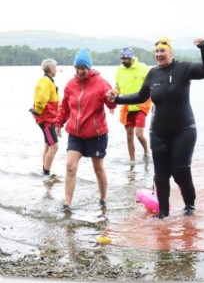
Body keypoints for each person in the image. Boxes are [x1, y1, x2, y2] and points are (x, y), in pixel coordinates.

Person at [106, 37, 204, 219]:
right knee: (161, 174)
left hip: (184, 130)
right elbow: (141, 96)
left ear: (171, 52)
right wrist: (117, 99)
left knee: (180, 171)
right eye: (156, 51)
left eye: (162, 51)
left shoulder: (184, 69)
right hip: (158, 132)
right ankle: (163, 214)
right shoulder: (153, 73)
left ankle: (190, 206)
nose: (158, 55)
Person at [54, 48, 117, 213]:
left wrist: (112, 97)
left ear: (89, 68)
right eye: (77, 68)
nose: (80, 71)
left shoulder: (101, 83)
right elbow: (65, 108)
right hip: (76, 134)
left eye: (83, 68)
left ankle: (103, 200)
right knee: (70, 166)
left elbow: (111, 104)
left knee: (98, 168)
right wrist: (58, 123)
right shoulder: (70, 85)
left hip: (96, 135)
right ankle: (67, 204)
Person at [114, 47, 152, 166]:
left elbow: (153, 85)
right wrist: (112, 98)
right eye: (122, 59)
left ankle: (146, 151)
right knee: (129, 135)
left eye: (125, 59)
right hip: (127, 107)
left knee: (139, 134)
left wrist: (157, 101)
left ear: (131, 58)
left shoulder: (143, 68)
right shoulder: (119, 70)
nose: (123, 61)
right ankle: (132, 162)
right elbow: (117, 88)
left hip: (141, 106)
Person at [29, 58, 59, 176]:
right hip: (45, 120)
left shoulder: (48, 81)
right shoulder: (45, 81)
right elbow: (41, 99)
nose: (56, 70)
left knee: (48, 144)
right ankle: (46, 174)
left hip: (49, 118)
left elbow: (54, 100)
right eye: (55, 68)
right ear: (51, 69)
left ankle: (45, 169)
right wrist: (37, 111)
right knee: (54, 146)